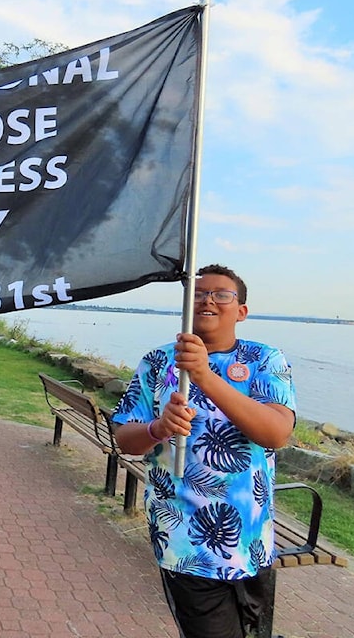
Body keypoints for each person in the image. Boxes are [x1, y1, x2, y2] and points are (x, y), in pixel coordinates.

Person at [111, 264, 297, 638]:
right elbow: (124, 439)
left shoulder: (264, 360)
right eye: (197, 293)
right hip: (185, 539)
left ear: (240, 311)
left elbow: (276, 433)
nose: (207, 299)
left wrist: (205, 376)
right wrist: (157, 428)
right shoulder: (159, 362)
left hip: (252, 540)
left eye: (221, 294)